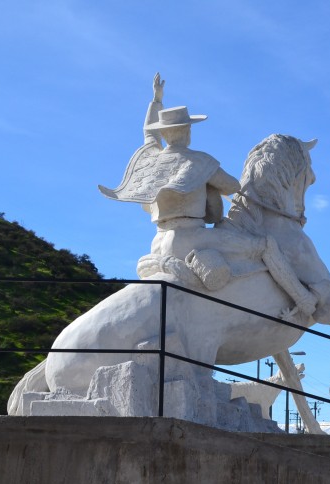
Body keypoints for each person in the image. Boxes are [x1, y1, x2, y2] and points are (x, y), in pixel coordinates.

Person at [100, 74, 317, 316]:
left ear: (163, 134)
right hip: (192, 237)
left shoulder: (152, 158)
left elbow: (147, 135)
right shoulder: (200, 161)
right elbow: (233, 186)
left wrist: (156, 100)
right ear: (188, 131)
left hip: (159, 241)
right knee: (267, 246)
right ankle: (304, 300)